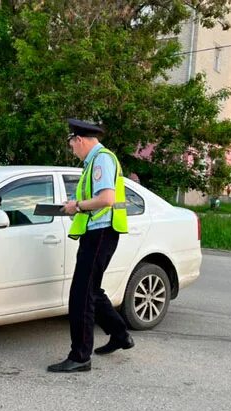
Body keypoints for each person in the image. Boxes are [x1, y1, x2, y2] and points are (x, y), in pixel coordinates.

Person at [47, 119, 134, 373]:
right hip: (97, 233)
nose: (72, 149)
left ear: (79, 140)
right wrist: (76, 203)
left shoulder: (102, 160)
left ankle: (80, 355)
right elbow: (97, 197)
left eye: (72, 144)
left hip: (101, 234)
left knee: (81, 295)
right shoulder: (95, 162)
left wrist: (79, 206)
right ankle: (119, 334)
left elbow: (106, 199)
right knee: (91, 290)